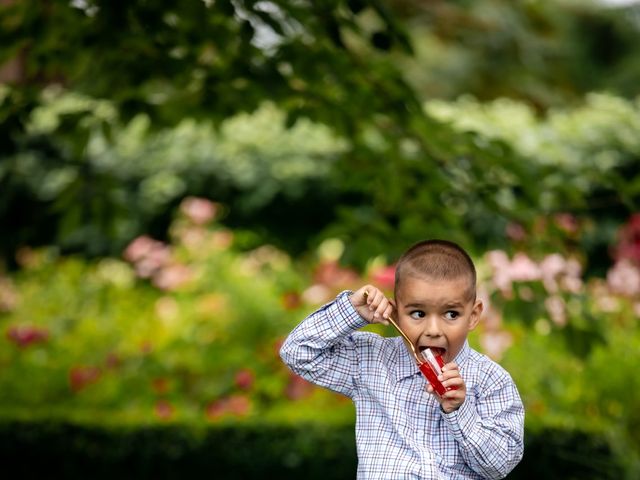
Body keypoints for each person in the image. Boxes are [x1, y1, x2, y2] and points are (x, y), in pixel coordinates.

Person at [280, 239, 524, 479]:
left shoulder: (492, 380)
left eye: (451, 314)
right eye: (418, 313)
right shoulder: (371, 361)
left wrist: (459, 410)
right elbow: (297, 352)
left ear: (473, 316)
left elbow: (498, 466)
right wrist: (353, 311)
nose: (433, 330)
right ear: (396, 312)